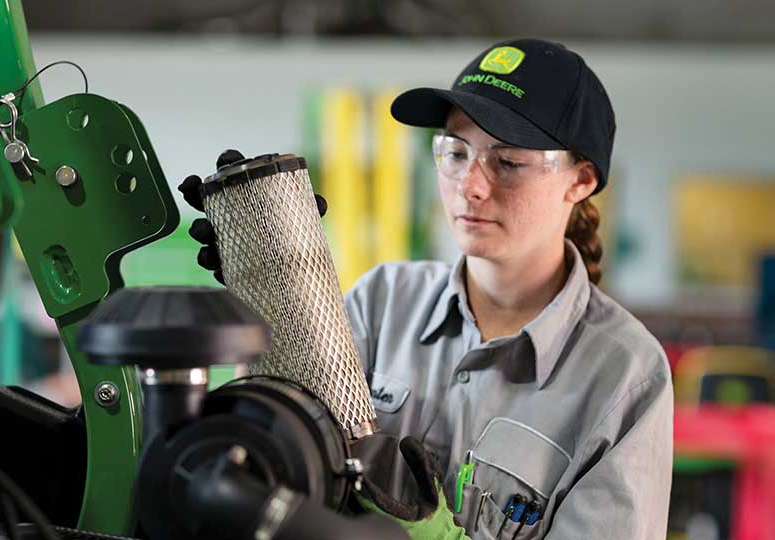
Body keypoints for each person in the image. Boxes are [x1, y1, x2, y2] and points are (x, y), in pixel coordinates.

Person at [180, 38, 673, 540]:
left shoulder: (625, 376)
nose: (470, 185)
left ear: (580, 180)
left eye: (507, 162)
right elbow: (285, 453)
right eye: (456, 152)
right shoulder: (384, 301)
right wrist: (271, 301)